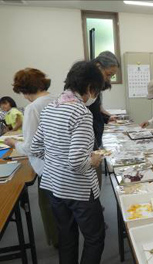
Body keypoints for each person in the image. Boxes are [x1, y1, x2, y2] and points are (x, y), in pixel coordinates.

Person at [31, 61, 105, 264]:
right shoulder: (80, 113)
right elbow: (77, 163)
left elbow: (35, 148)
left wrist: (57, 159)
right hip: (79, 190)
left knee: (66, 237)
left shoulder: (51, 108)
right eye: (95, 90)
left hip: (55, 186)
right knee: (95, 238)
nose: (93, 95)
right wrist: (94, 159)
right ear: (90, 87)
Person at [4, 68, 58, 247]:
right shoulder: (58, 99)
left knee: (49, 206)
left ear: (25, 90)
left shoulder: (33, 108)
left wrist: (13, 143)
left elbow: (30, 148)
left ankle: (57, 241)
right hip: (61, 162)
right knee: (61, 207)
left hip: (47, 167)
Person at [89, 51, 120, 188]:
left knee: (96, 184)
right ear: (98, 66)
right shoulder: (87, 87)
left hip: (95, 140)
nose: (108, 79)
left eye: (112, 76)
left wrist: (107, 117)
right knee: (92, 185)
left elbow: (97, 108)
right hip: (88, 146)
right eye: (108, 75)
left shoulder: (96, 88)